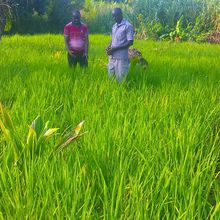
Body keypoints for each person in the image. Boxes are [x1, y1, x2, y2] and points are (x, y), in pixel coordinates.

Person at [106, 8, 134, 82]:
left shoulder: (127, 26)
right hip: (112, 56)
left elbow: (130, 42)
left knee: (121, 80)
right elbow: (113, 39)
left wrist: (115, 48)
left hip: (121, 58)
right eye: (113, 16)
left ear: (121, 15)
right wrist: (109, 47)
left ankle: (124, 93)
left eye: (116, 16)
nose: (114, 18)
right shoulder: (114, 26)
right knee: (111, 79)